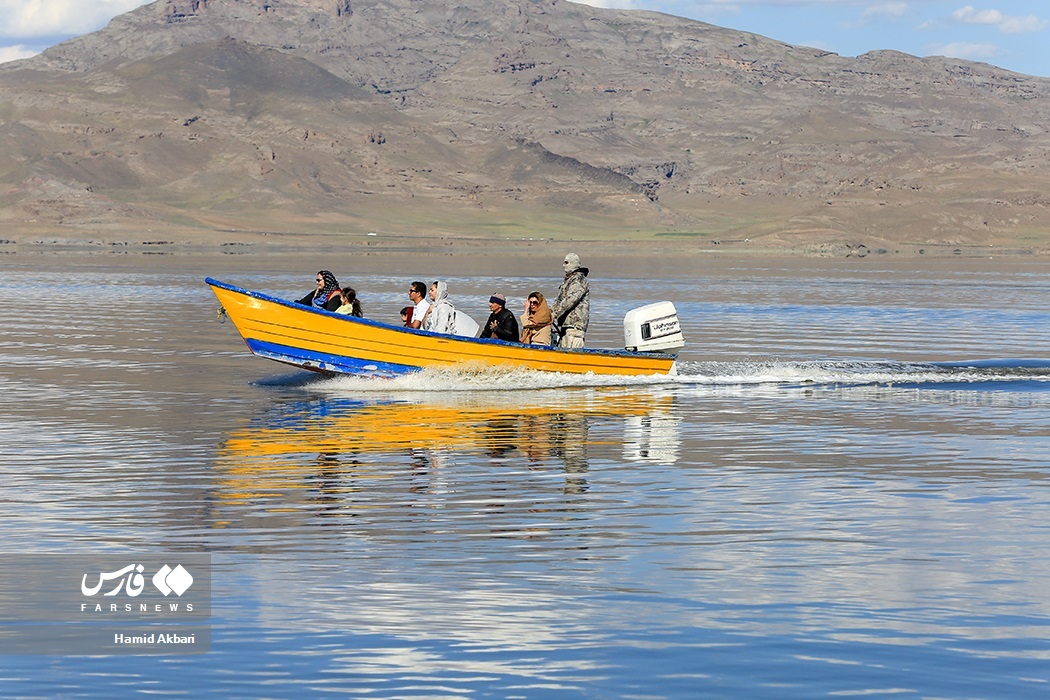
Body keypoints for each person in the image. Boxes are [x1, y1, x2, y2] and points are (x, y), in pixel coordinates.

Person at [550, 253, 590, 348]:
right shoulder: (568, 280)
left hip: (574, 328)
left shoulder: (579, 280)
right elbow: (559, 301)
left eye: (566, 263)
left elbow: (570, 300)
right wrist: (548, 314)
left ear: (573, 263)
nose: (563, 265)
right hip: (565, 327)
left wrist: (554, 314)